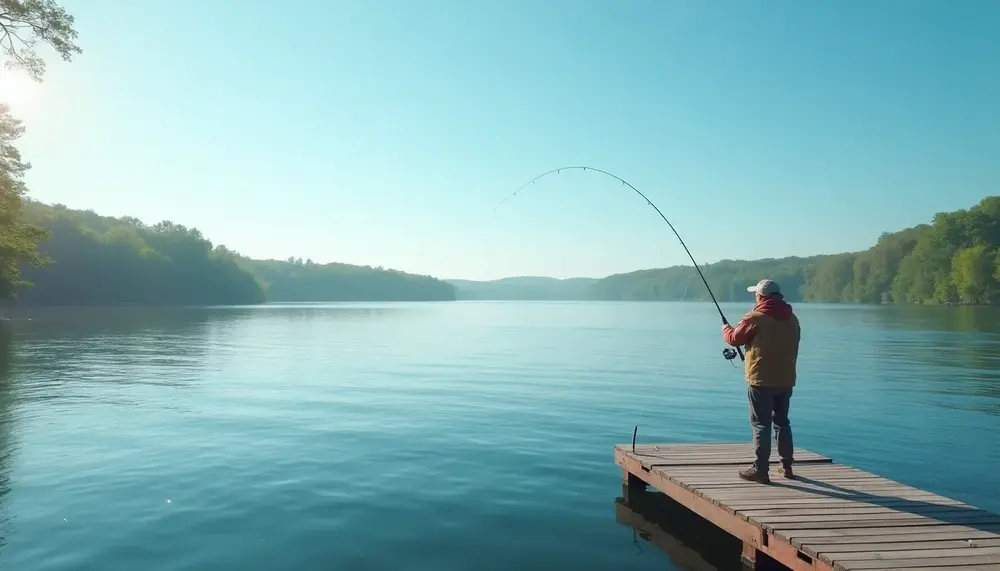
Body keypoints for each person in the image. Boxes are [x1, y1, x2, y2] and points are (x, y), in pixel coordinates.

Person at [722, 279, 800, 484]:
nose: (755, 298)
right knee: (782, 423)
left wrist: (726, 329)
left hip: (761, 381)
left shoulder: (755, 318)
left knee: (761, 425)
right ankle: (787, 466)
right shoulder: (793, 319)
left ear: (761, 297)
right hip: (786, 380)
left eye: (756, 295)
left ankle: (761, 470)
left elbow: (734, 339)